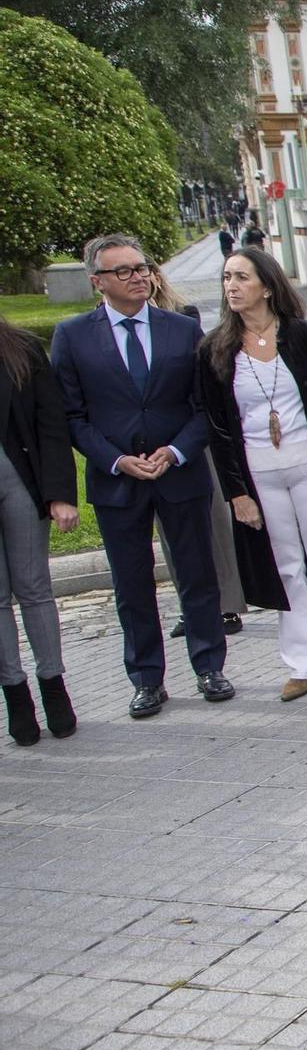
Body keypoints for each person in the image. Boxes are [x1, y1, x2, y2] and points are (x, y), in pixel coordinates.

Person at [51, 234, 235, 717]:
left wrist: (175, 451)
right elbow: (70, 415)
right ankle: (147, 679)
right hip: (118, 480)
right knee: (132, 586)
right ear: (98, 282)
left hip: (179, 473)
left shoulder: (181, 328)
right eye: (124, 271)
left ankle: (209, 666)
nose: (139, 277)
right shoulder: (72, 336)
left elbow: (204, 406)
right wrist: (115, 459)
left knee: (197, 574)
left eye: (142, 267)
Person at [196, 248, 307, 700]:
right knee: (286, 566)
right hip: (258, 468)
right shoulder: (216, 348)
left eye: (241, 277)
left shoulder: (303, 337)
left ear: (268, 286)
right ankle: (301, 662)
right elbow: (217, 427)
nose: (231, 286)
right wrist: (236, 491)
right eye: (226, 278)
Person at [148, 262, 250, 639]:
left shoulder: (183, 319)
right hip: (149, 448)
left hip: (190, 436)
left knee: (214, 526)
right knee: (171, 537)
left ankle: (226, 605)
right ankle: (189, 607)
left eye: (143, 272)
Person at [0, 317, 79, 744]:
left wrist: (61, 494)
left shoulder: (21, 348)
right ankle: (14, 694)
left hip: (20, 482)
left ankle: (53, 684)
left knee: (34, 588)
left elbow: (52, 423)